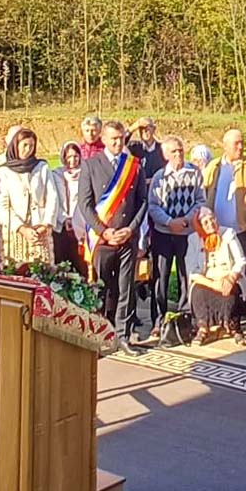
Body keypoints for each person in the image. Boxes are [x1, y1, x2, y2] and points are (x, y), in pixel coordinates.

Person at [79, 120, 147, 342]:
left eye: (121, 138)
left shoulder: (133, 165)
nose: (118, 143)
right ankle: (102, 333)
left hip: (127, 237)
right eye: (114, 139)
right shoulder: (91, 165)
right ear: (104, 139)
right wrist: (103, 231)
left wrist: (131, 229)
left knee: (126, 288)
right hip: (102, 239)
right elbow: (85, 204)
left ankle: (123, 335)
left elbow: (142, 201)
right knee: (102, 287)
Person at [146, 137, 205, 325]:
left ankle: (184, 318)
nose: (178, 154)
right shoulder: (159, 177)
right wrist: (169, 222)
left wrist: (186, 220)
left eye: (180, 150)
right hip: (163, 234)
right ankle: (159, 320)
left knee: (185, 276)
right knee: (160, 277)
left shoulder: (194, 173)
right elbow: (153, 205)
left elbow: (201, 201)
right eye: (174, 151)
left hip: (186, 233)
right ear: (165, 155)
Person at [202, 128, 246, 292]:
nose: (240, 147)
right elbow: (205, 192)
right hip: (218, 233)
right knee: (219, 274)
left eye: (242, 143)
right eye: (236, 143)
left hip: (243, 230)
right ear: (225, 146)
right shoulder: (214, 167)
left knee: (244, 273)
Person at [0, 125, 53, 263]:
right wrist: (21, 228)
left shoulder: (42, 167)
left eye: (31, 146)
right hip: (15, 232)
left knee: (42, 269)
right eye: (24, 145)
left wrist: (45, 225)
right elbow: (2, 206)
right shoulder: (3, 171)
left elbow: (52, 197)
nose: (28, 150)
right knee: (16, 270)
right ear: (15, 146)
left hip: (39, 230)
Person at [184, 206, 246, 341]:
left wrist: (231, 278)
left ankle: (232, 327)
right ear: (200, 226)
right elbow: (192, 271)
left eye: (212, 219)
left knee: (230, 292)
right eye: (205, 222)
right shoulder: (193, 239)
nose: (211, 224)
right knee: (197, 291)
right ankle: (203, 328)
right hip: (207, 280)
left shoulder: (229, 234)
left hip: (227, 277)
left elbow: (240, 261)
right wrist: (213, 284)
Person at [50, 141, 87, 273]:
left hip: (81, 224)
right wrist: (64, 218)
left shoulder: (86, 174)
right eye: (69, 156)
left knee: (81, 262)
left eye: (75, 156)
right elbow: (54, 199)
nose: (72, 160)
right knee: (62, 263)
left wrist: (76, 220)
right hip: (61, 224)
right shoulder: (56, 175)